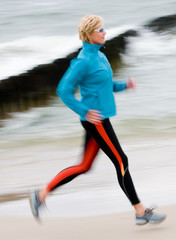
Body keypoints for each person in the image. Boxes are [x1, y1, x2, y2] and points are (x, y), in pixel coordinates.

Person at [29, 15, 166, 225]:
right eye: (100, 30)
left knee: (84, 165)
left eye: (104, 29)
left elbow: (106, 85)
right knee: (121, 161)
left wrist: (125, 86)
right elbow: (63, 90)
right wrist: (84, 111)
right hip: (96, 121)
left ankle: (41, 194)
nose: (105, 32)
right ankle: (140, 212)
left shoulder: (100, 56)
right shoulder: (83, 61)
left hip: (100, 119)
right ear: (90, 34)